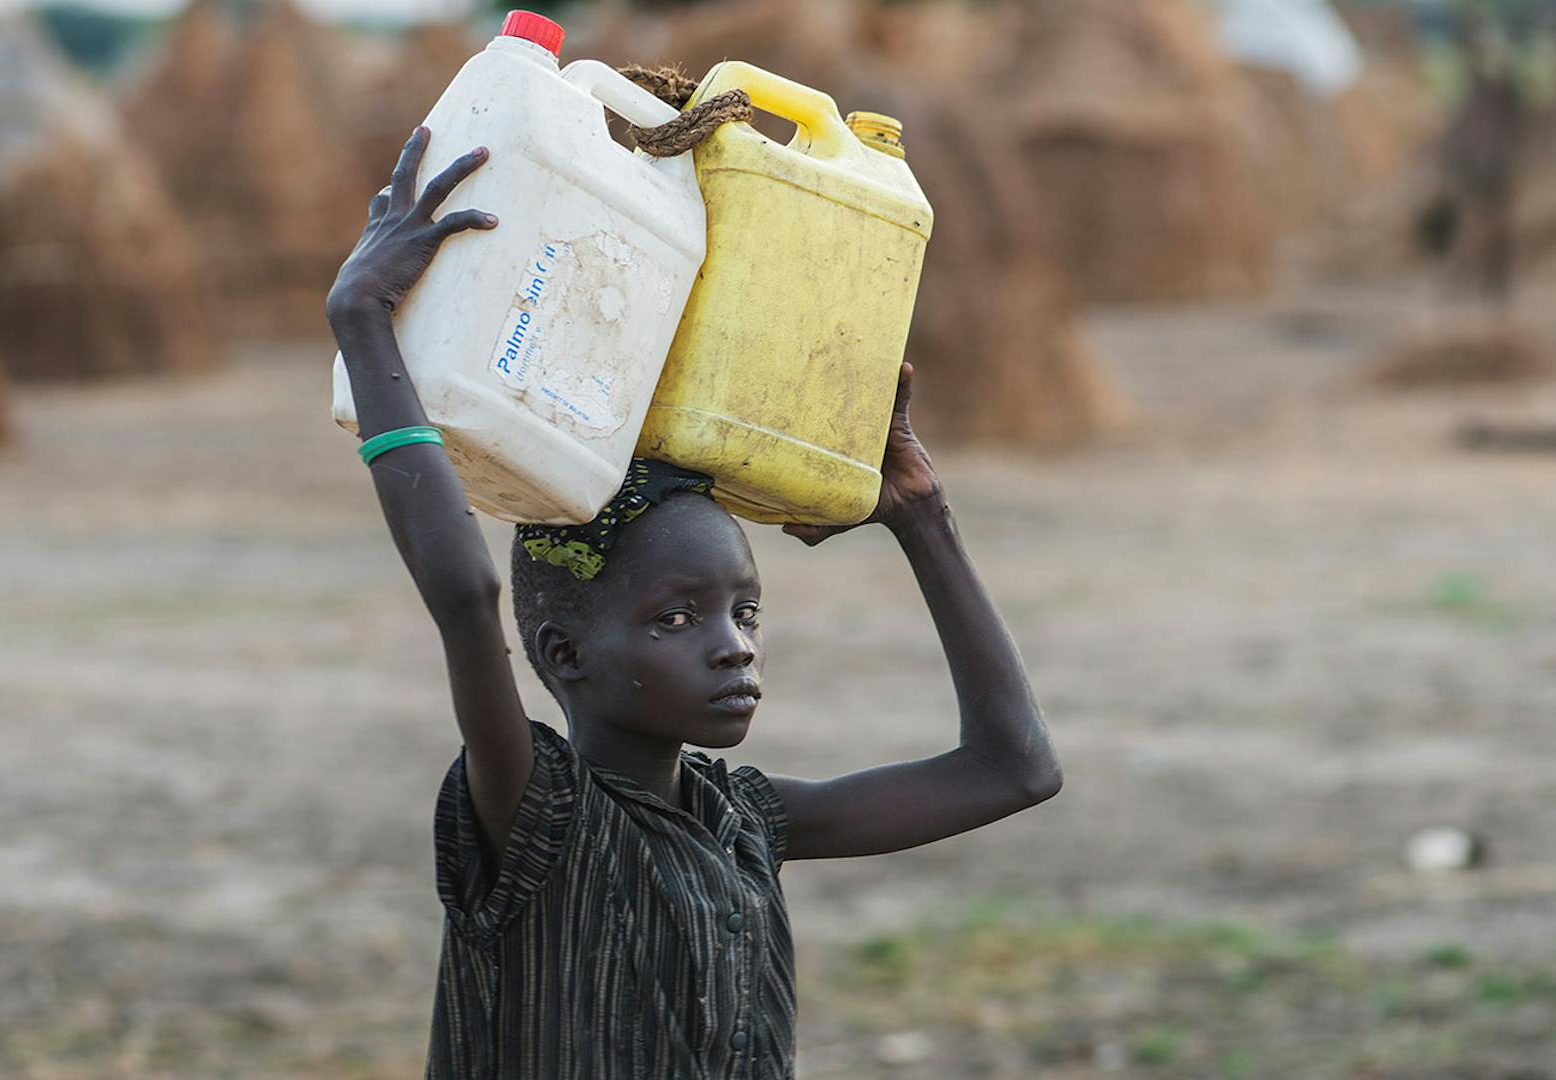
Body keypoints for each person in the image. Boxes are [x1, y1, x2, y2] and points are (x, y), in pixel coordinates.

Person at [326, 127, 1063, 1079]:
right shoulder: (540, 817)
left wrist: (923, 519)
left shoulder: (747, 823)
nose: (733, 650)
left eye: (743, 614)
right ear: (562, 654)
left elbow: (1015, 770)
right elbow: (468, 596)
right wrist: (362, 319)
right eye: (676, 619)